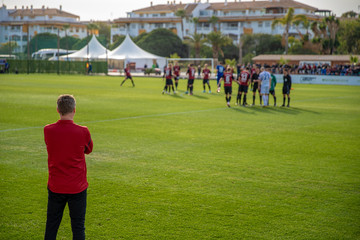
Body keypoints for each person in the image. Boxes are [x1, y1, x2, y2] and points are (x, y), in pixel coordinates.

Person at [44, 94, 93, 240]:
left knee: (51, 226)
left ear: (58, 110)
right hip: (77, 187)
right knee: (78, 227)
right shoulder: (83, 131)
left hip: (55, 186)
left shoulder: (48, 130)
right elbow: (88, 149)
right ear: (74, 110)